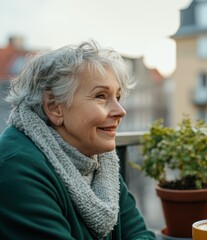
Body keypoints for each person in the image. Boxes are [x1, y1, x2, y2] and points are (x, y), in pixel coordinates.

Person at [0, 40, 156, 239]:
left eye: (117, 97)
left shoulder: (98, 159)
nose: (120, 111)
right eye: (101, 96)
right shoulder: (15, 167)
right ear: (55, 107)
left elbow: (139, 233)